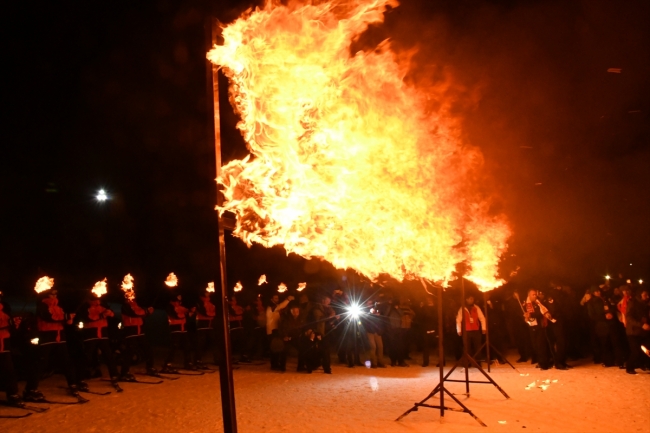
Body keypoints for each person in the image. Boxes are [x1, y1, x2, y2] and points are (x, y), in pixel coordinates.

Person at [28, 287, 84, 399]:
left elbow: (63, 320)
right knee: (41, 363)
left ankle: (73, 383)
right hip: (47, 337)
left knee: (67, 362)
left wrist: (69, 319)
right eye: (52, 294)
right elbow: (48, 317)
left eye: (55, 294)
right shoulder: (42, 306)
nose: (54, 296)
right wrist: (65, 317)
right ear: (46, 295)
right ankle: (30, 389)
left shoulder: (58, 307)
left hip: (60, 336)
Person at [76, 289, 122, 392]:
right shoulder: (85, 307)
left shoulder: (102, 305)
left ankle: (114, 375)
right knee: (87, 357)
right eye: (95, 298)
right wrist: (102, 315)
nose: (97, 300)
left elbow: (112, 316)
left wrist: (110, 313)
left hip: (103, 334)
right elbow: (87, 318)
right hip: (91, 334)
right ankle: (80, 378)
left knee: (108, 355)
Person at [120, 285, 156, 380]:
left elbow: (141, 315)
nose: (133, 295)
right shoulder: (125, 306)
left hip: (140, 330)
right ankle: (124, 373)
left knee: (148, 349)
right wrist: (146, 311)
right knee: (129, 352)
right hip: (130, 330)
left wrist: (148, 312)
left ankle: (150, 368)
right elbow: (134, 314)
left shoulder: (136, 304)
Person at [588, 286, 625, 368]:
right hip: (601, 326)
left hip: (611, 324)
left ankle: (619, 361)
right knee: (605, 344)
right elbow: (592, 316)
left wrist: (611, 313)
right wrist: (604, 316)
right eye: (596, 291)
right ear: (593, 293)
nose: (598, 293)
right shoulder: (591, 302)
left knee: (616, 342)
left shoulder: (606, 299)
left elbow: (612, 307)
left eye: (599, 291)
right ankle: (608, 361)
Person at [162, 291, 194, 373]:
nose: (179, 301)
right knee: (174, 347)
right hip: (175, 328)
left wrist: (190, 311)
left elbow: (187, 313)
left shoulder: (180, 306)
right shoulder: (170, 306)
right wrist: (186, 313)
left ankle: (188, 363)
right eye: (177, 299)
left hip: (183, 328)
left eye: (180, 299)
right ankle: (167, 364)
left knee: (187, 346)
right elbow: (175, 315)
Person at [0, 291, 22, 406]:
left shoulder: (5, 308)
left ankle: (12, 394)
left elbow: (10, 328)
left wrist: (14, 323)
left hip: (4, 343)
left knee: (9, 370)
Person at [522, 289, 551, 370]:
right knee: (535, 346)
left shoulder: (539, 303)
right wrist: (526, 316)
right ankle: (540, 362)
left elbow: (540, 313)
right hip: (531, 326)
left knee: (541, 346)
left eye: (535, 294)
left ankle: (544, 364)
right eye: (533, 295)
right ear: (529, 295)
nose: (535, 296)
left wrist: (531, 315)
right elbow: (524, 314)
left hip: (539, 326)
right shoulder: (526, 304)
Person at [456, 294, 486, 366]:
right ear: (466, 299)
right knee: (467, 348)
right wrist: (459, 330)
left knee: (477, 347)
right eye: (470, 299)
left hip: (476, 330)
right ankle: (467, 363)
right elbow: (458, 320)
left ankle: (478, 363)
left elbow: (482, 318)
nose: (472, 300)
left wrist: (484, 328)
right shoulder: (462, 309)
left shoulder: (476, 308)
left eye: (472, 299)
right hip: (466, 331)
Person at [266, 294, 293, 370]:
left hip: (275, 330)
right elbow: (281, 306)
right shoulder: (271, 307)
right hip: (272, 331)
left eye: (277, 298)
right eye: (275, 298)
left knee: (276, 347)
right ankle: (274, 365)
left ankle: (275, 364)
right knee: (273, 348)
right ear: (271, 299)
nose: (277, 299)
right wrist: (288, 299)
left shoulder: (274, 307)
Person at [361, 300, 386, 368]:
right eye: (369, 303)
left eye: (371, 303)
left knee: (380, 347)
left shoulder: (376, 310)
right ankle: (373, 363)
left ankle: (380, 361)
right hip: (370, 331)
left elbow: (381, 320)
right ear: (366, 303)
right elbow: (364, 319)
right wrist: (370, 313)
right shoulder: (364, 310)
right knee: (373, 347)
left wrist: (378, 315)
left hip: (377, 331)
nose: (370, 304)